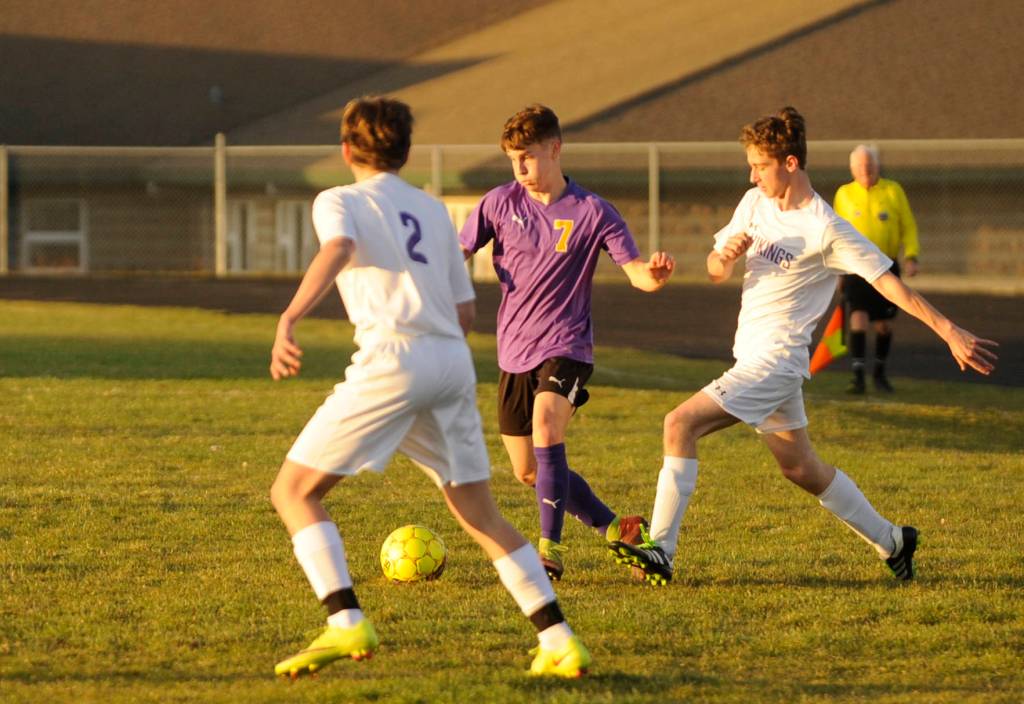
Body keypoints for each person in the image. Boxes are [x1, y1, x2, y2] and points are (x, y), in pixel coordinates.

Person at [269, 96, 590, 680]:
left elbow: (339, 247)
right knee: (479, 512)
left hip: (393, 358)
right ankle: (559, 639)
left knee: (293, 492)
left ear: (346, 151)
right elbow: (466, 308)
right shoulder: (430, 208)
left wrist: (289, 317)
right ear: (406, 152)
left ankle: (345, 623)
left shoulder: (338, 199)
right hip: (449, 360)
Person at [610, 107, 997, 586]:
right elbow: (715, 266)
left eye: (760, 165)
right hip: (754, 357)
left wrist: (949, 330)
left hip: (776, 362)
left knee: (678, 424)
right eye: (750, 165)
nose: (752, 174)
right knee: (800, 467)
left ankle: (662, 549)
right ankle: (893, 541)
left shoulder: (826, 227)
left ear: (790, 163)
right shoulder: (754, 201)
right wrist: (722, 258)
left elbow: (889, 284)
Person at [459, 104, 675, 581]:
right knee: (530, 472)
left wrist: (653, 277)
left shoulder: (593, 212)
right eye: (513, 158)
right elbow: (458, 251)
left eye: (528, 157)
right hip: (513, 351)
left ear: (555, 149)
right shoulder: (499, 203)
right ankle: (619, 527)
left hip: (567, 346)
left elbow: (635, 271)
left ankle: (548, 551)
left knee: (546, 427)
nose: (519, 168)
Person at [834, 145, 921, 393]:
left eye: (869, 164)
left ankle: (879, 373)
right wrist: (838, 270)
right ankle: (858, 376)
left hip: (887, 265)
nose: (865, 169)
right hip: (855, 267)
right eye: (860, 165)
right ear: (852, 169)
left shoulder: (893, 191)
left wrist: (912, 255)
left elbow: (909, 226)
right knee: (857, 316)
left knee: (883, 323)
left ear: (877, 165)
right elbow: (836, 234)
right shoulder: (844, 194)